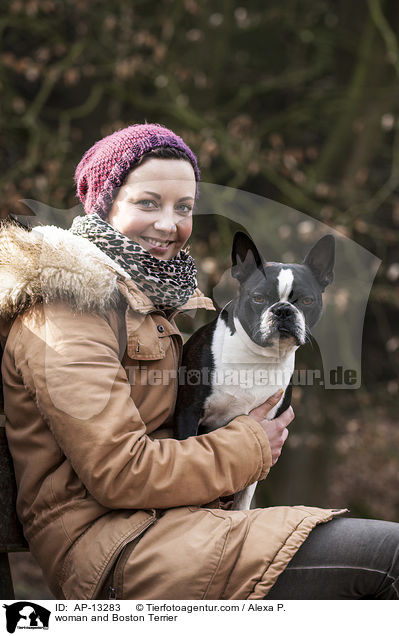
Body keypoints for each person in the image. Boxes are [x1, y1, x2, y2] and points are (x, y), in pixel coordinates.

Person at [0, 123, 398, 600]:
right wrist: (249, 442)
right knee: (389, 558)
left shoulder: (153, 306)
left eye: (183, 207)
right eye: (148, 202)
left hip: (179, 525)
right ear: (104, 205)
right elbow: (119, 473)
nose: (169, 224)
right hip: (115, 551)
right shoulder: (67, 311)